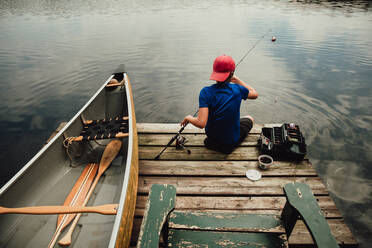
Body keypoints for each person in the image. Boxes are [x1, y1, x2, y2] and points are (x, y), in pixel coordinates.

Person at [181, 55, 258, 154]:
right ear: (231, 73)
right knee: (249, 118)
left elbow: (201, 123)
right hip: (230, 144)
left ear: (214, 72)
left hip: (212, 140)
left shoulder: (205, 92)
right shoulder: (238, 89)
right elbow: (255, 94)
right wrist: (237, 80)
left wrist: (189, 118)